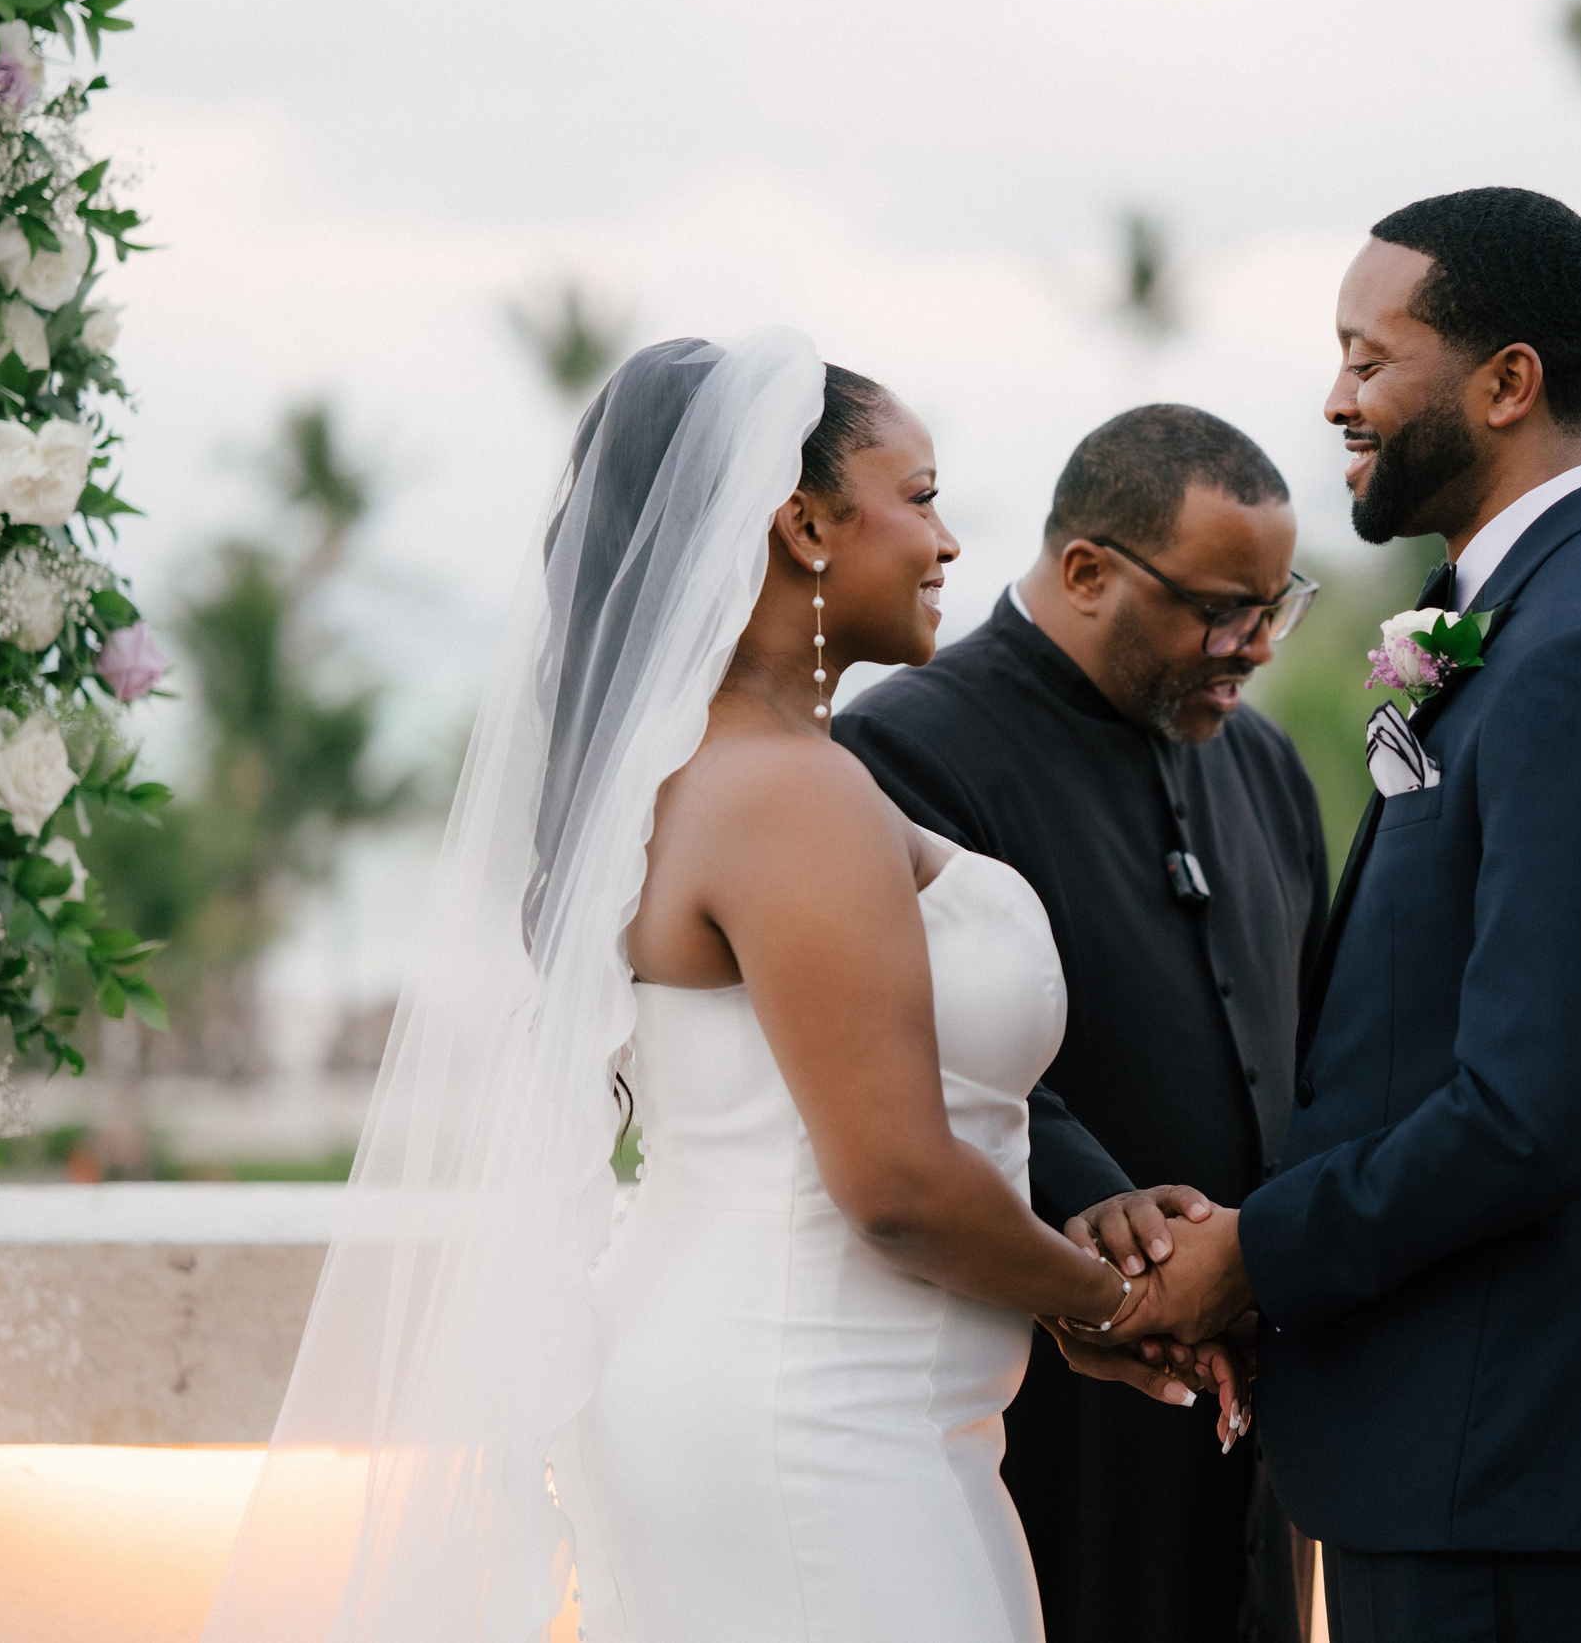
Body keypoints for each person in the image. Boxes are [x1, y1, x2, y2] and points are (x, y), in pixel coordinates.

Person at [200, 332, 1234, 1643]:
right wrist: (1117, 1302)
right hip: (811, 1412)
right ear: (805, 524)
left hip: (774, 1383)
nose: (950, 542)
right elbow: (899, 1187)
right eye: (918, 496)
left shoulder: (710, 773)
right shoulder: (790, 796)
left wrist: (1060, 1272)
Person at [1138, 188, 1581, 1643]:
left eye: (1372, 359)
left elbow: (1531, 1112)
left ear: (1507, 381)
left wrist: (1257, 1251)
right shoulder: (1542, 611)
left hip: (1503, 1445)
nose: (1338, 399)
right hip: (1470, 1444)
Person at [838, 404, 1325, 1643]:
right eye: (1221, 609)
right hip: (1053, 1374)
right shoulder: (902, 748)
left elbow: (1308, 1034)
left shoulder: (1262, 765)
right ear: (1088, 569)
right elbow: (925, 1053)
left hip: (1256, 1390)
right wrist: (1148, 1255)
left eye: (1275, 608)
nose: (1254, 647)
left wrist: (1268, 1254)